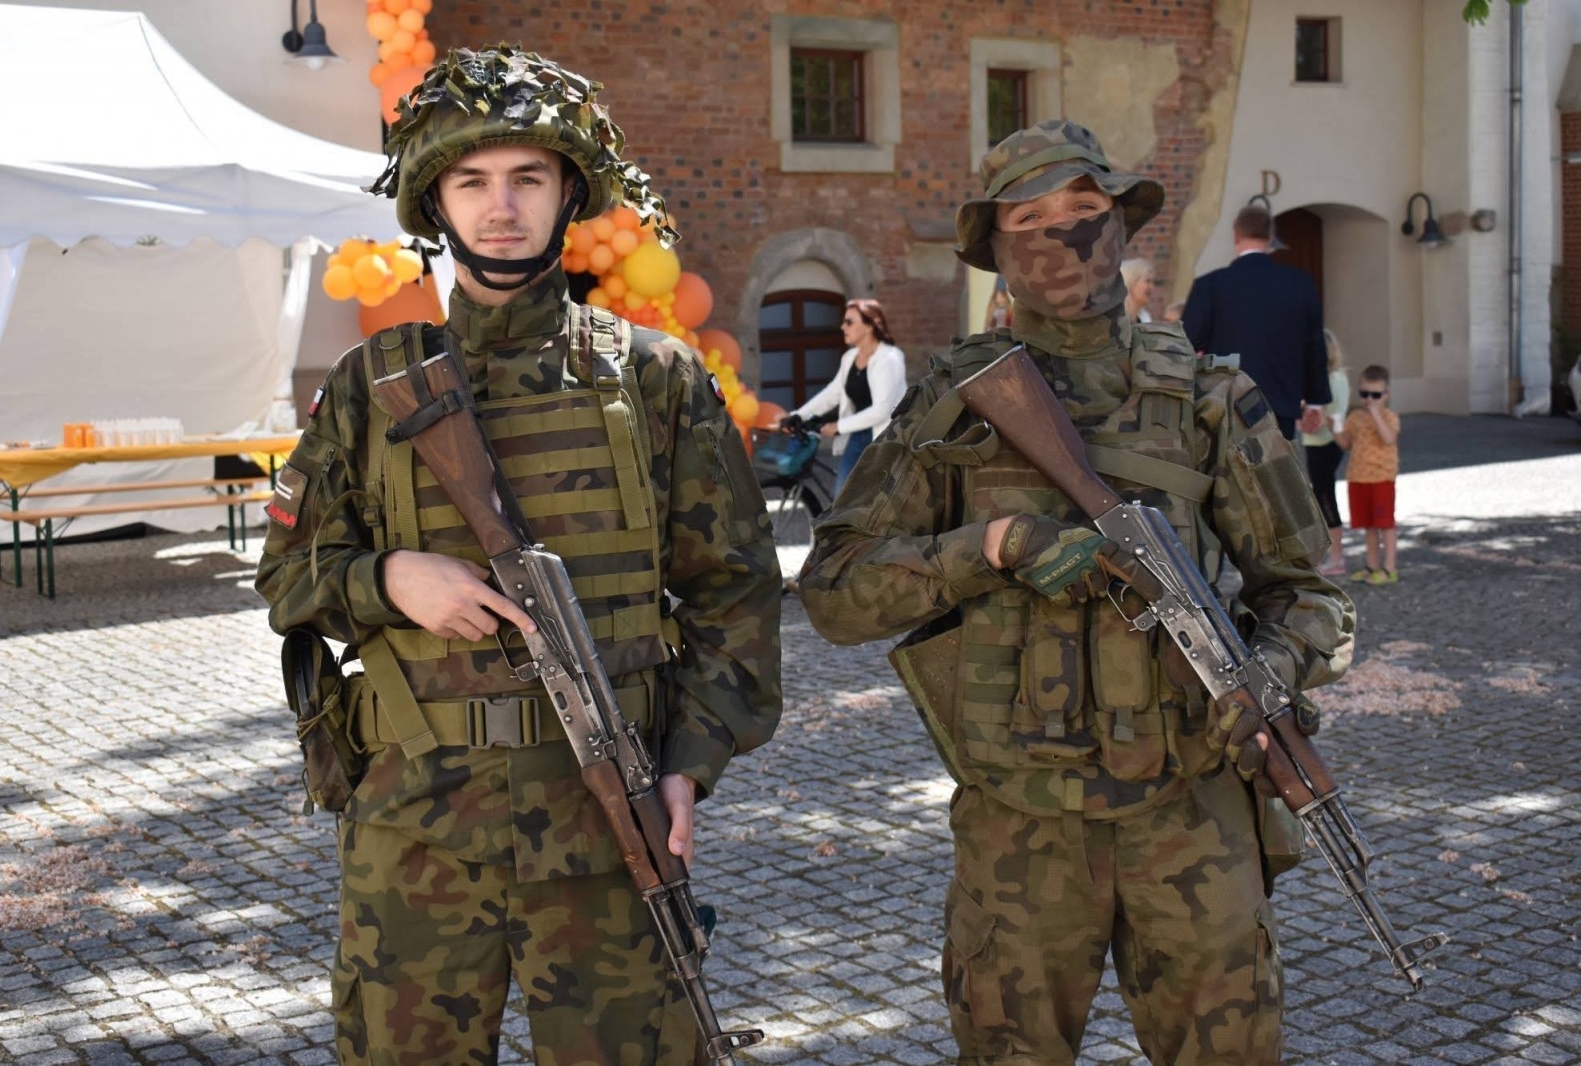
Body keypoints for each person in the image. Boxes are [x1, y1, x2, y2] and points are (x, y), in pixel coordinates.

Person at [255, 46, 783, 1065]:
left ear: (566, 192)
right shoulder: (370, 387)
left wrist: (692, 761)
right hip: (416, 827)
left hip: (603, 819)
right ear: (435, 202)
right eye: (473, 181)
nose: (502, 207)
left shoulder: (658, 380)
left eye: (528, 178)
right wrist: (387, 580)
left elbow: (736, 589)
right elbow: (283, 576)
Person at [798, 119, 1353, 1065]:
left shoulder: (1210, 398)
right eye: (1032, 218)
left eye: (1086, 213)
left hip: (1192, 809)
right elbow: (834, 594)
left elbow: (1311, 593)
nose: (1062, 236)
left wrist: (1271, 669)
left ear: (1123, 228)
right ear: (995, 250)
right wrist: (991, 546)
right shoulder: (950, 406)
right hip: (1021, 824)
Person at [1182, 205, 1330, 440]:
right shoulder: (1299, 284)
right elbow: (1314, 345)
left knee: (1228, 475)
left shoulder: (1210, 286)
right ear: (1271, 237)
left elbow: (1185, 344)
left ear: (1235, 235)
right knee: (1276, 474)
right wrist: (1316, 400)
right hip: (1280, 403)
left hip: (1226, 404)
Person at [790, 298, 907, 497]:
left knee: (878, 502)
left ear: (870, 325)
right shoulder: (850, 358)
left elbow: (883, 410)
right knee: (842, 500)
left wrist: (838, 426)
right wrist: (799, 415)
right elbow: (833, 393)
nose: (843, 326)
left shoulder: (889, 358)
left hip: (885, 439)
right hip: (858, 436)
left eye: (849, 322)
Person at [1335, 364, 1401, 584]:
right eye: (1365, 394)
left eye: (1376, 395)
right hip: (1358, 477)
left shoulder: (1389, 417)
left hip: (1382, 478)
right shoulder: (1355, 417)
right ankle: (1371, 566)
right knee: (1369, 526)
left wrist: (1376, 414)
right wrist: (1334, 428)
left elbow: (1389, 438)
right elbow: (1346, 443)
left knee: (1385, 524)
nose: (1369, 400)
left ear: (1386, 394)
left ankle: (1389, 568)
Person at [1300, 329, 1351, 576]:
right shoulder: (1337, 377)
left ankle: (1337, 557)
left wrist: (1298, 416)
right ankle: (1332, 554)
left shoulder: (1328, 380)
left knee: (1325, 498)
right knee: (1321, 496)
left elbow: (1319, 420)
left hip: (1322, 444)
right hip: (1322, 443)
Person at [1119, 256, 1155, 322]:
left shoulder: (1145, 318)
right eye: (1147, 281)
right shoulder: (1116, 318)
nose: (1152, 287)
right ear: (1131, 282)